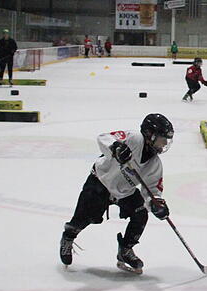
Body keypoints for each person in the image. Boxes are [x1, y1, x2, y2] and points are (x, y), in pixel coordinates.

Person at [59, 114, 174, 274]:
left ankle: (125, 250)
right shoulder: (133, 138)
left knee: (141, 213)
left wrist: (156, 203)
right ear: (149, 134)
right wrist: (115, 148)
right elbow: (104, 138)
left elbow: (153, 190)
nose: (164, 144)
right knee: (84, 219)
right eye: (162, 139)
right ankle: (68, 237)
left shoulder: (155, 164)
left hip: (124, 191)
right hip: (101, 181)